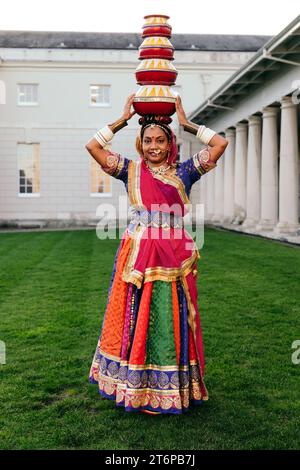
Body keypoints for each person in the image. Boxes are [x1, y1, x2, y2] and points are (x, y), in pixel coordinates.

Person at [86, 93, 228, 415]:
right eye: (147, 140)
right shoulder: (130, 170)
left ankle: (166, 390)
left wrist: (189, 124)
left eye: (160, 140)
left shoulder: (185, 172)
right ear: (140, 142)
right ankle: (138, 389)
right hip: (138, 255)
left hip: (171, 257)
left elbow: (220, 144)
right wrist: (122, 120)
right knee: (136, 319)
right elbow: (93, 148)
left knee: (168, 319)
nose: (153, 146)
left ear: (169, 143)